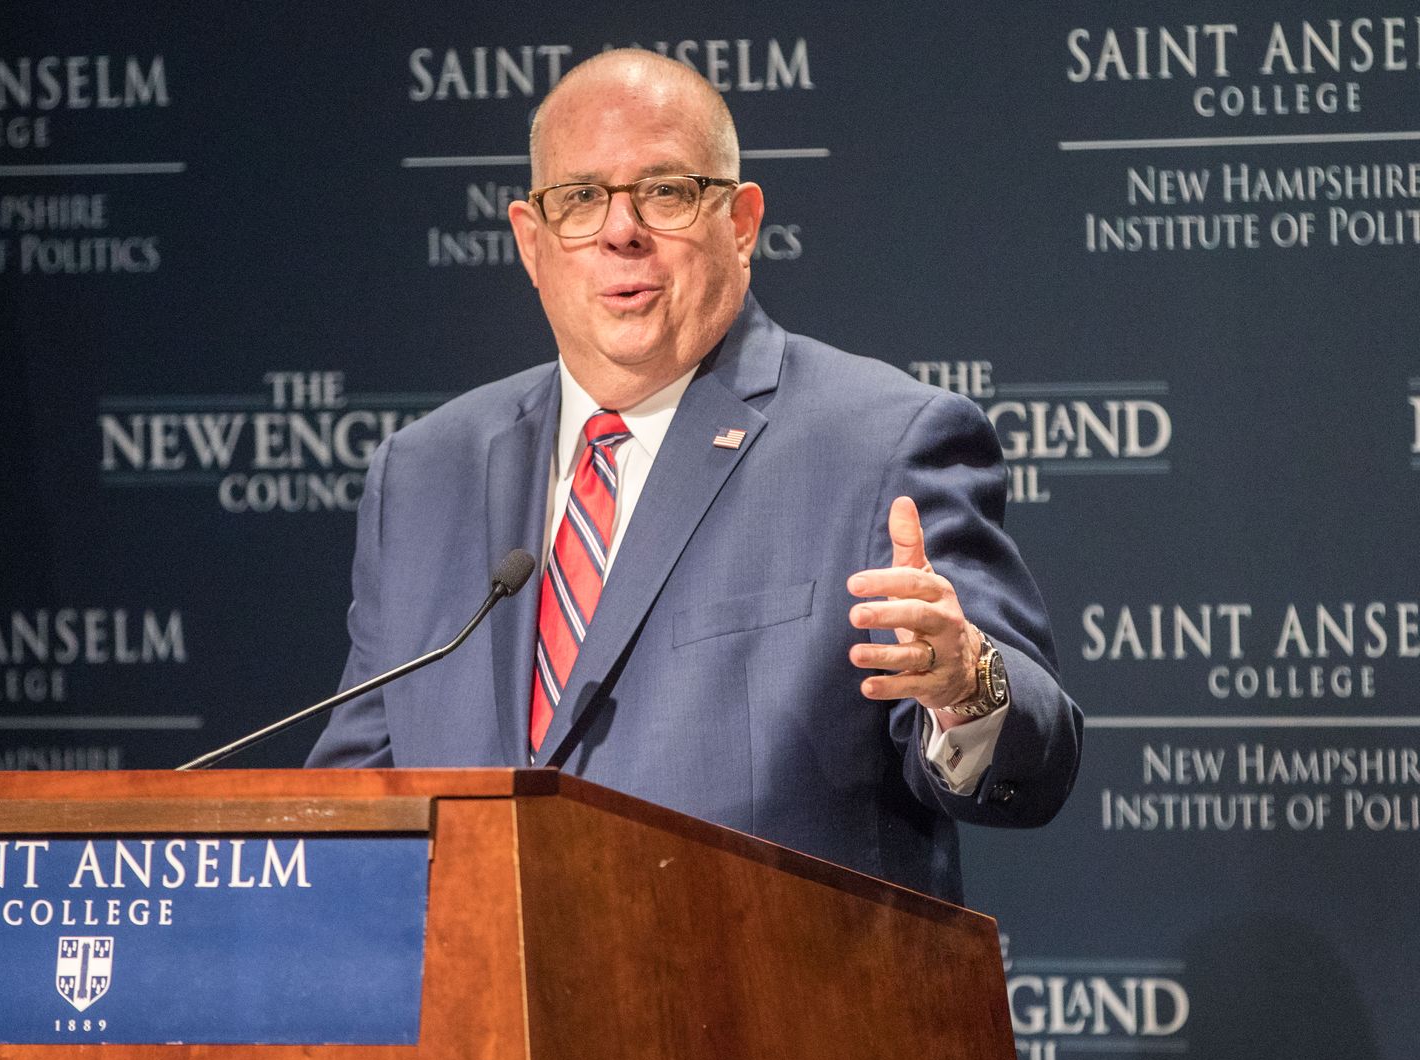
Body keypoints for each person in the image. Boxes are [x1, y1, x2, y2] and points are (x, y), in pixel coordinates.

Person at [306, 49, 1079, 903]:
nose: (621, 231)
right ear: (532, 240)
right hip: (481, 982)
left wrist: (968, 685)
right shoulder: (423, 475)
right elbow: (353, 804)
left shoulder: (883, 443)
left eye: (666, 192)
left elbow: (1039, 761)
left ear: (741, 223)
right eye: (581, 198)